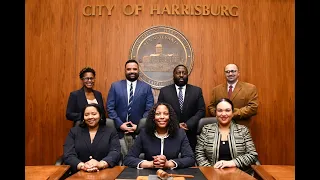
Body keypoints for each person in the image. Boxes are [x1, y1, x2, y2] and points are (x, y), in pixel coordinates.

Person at [195, 98, 258, 175]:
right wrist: (211, 170)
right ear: (216, 113)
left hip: (240, 175)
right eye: (220, 110)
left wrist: (232, 163)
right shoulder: (206, 130)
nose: (223, 114)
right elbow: (199, 154)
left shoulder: (243, 130)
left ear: (232, 113)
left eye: (227, 110)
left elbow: (252, 155)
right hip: (212, 175)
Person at [123, 102, 195, 169]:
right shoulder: (144, 133)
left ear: (170, 117)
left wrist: (169, 164)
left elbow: (190, 159)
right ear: (153, 118)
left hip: (172, 174)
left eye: (166, 114)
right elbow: (128, 159)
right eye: (158, 114)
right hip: (148, 174)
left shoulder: (180, 133)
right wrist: (150, 164)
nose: (162, 117)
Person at [106, 59, 154, 156]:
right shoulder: (115, 86)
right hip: (119, 132)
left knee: (136, 159)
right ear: (125, 71)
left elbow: (149, 109)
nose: (132, 71)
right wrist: (120, 124)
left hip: (138, 132)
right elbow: (110, 108)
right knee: (120, 159)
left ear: (138, 70)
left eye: (134, 69)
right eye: (129, 69)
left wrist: (138, 126)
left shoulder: (146, 87)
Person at [157, 64, 205, 152]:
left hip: (190, 133)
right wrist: (176, 124)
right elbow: (160, 111)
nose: (181, 75)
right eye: (178, 73)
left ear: (187, 75)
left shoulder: (196, 91)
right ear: (173, 75)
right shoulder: (164, 91)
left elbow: (201, 110)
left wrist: (188, 124)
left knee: (190, 158)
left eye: (184, 73)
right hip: (170, 132)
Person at [63, 103, 121, 174]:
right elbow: (68, 154)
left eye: (94, 114)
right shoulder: (74, 132)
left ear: (100, 115)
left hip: (105, 172)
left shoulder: (111, 131)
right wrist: (82, 166)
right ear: (83, 117)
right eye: (86, 115)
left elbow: (115, 152)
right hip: (79, 173)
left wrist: (100, 164)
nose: (90, 117)